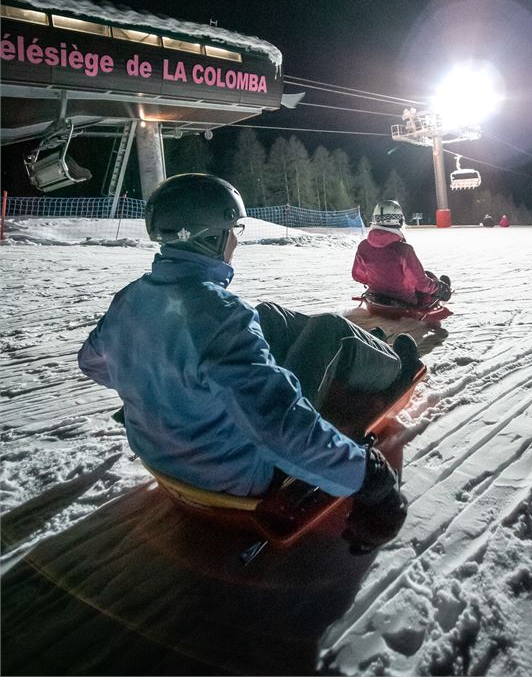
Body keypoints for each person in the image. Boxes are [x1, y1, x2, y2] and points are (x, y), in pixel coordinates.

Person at [78, 174, 421, 552]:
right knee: (331, 331)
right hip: (236, 471)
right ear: (212, 236)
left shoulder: (130, 299)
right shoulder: (221, 316)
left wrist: (161, 389)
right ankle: (392, 365)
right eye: (233, 228)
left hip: (161, 454)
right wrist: (369, 481)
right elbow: (279, 428)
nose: (236, 239)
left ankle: (362, 348)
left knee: (268, 315)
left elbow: (93, 362)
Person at [352, 200, 452, 307]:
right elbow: (421, 284)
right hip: (404, 302)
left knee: (425, 274)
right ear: (399, 221)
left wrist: (378, 280)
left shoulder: (363, 246)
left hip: (376, 297)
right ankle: (443, 290)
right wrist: (439, 287)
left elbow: (357, 275)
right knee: (428, 278)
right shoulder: (404, 251)